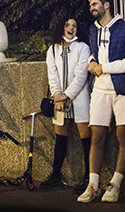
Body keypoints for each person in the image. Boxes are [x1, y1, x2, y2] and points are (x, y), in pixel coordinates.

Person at [77, 0, 125, 203]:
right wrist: (91, 62)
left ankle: (115, 185)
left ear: (107, 5)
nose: (91, 7)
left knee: (123, 137)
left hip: (124, 89)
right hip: (100, 90)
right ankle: (92, 185)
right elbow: (96, 54)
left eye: (95, 3)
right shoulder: (93, 30)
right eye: (90, 4)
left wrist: (103, 67)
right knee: (97, 136)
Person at [40, 18, 92, 190]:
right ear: (61, 27)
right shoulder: (52, 50)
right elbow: (52, 75)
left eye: (74, 26)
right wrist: (57, 95)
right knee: (60, 138)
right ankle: (56, 175)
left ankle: (88, 179)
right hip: (59, 100)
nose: (71, 28)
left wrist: (65, 96)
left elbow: (81, 76)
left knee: (86, 138)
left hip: (79, 98)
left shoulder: (83, 47)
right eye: (67, 25)